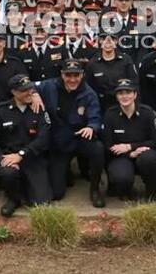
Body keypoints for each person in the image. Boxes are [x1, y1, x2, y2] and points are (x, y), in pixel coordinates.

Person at [35, 59, 105, 207]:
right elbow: (28, 85)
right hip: (59, 142)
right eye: (68, 75)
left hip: (79, 137)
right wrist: (34, 93)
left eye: (76, 75)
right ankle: (66, 173)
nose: (72, 79)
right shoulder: (49, 86)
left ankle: (95, 188)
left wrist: (91, 127)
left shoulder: (89, 93)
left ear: (82, 75)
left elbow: (96, 117)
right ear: (62, 74)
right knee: (57, 194)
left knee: (97, 149)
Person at [0, 74, 52, 217]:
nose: (29, 93)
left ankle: (27, 191)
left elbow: (44, 139)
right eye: (24, 90)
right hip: (10, 159)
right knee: (7, 173)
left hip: (31, 158)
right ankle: (13, 199)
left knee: (42, 203)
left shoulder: (38, 108)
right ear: (14, 92)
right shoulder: (2, 110)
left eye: (30, 89)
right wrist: (1, 159)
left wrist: (21, 155)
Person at [102, 78, 156, 201]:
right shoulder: (110, 115)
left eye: (128, 92)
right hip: (121, 157)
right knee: (122, 178)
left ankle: (151, 192)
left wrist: (130, 146)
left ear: (135, 94)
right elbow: (108, 146)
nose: (124, 96)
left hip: (143, 154)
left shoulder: (148, 113)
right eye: (120, 93)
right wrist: (131, 154)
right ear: (116, 96)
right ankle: (127, 189)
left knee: (149, 158)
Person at [85, 32, 138, 113]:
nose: (108, 41)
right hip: (101, 107)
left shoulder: (126, 60)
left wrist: (136, 107)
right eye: (104, 39)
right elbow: (89, 88)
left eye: (112, 39)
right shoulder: (92, 63)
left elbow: (134, 84)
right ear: (99, 41)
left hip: (124, 104)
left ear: (116, 41)